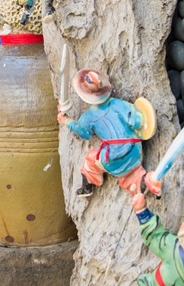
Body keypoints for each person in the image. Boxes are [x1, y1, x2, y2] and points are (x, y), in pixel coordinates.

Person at [58, 68, 159, 198]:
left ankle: (88, 186)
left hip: (113, 158)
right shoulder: (117, 104)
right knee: (133, 172)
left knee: (90, 159)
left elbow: (83, 132)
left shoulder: (89, 117)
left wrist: (66, 121)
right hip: (135, 150)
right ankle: (145, 182)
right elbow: (136, 121)